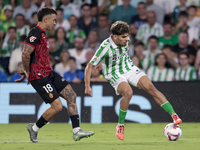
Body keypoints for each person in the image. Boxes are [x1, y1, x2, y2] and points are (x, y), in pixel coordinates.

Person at [84, 21, 182, 141]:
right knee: (128, 93)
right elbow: (89, 66)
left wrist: (102, 62)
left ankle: (173, 115)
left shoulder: (126, 40)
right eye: (123, 37)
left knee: (151, 88)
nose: (127, 39)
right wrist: (87, 86)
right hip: (114, 73)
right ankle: (120, 126)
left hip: (129, 67)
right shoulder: (105, 47)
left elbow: (121, 54)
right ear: (115, 37)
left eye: (127, 36)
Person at [15, 7, 94, 143]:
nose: (55, 23)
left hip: (49, 72)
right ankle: (34, 128)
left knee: (71, 95)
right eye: (54, 20)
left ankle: (76, 131)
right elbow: (25, 53)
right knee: (57, 106)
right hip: (39, 76)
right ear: (45, 20)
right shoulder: (35, 32)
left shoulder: (44, 34)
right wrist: (27, 71)